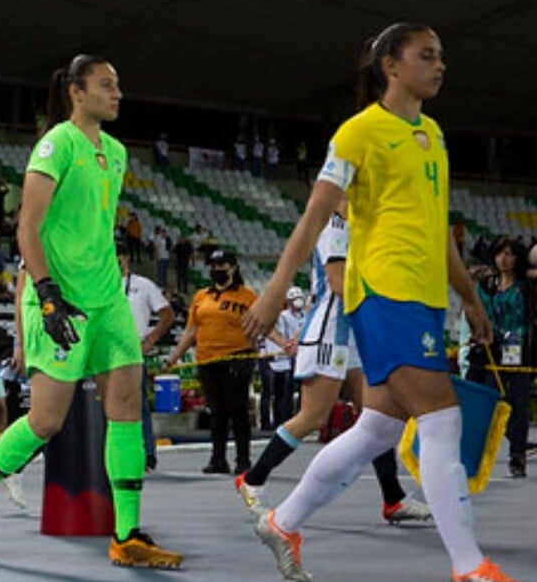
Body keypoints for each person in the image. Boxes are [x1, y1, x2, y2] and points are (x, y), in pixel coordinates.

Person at [242, 22, 537, 582]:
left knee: (377, 427)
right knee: (443, 418)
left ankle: (282, 521)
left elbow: (440, 232)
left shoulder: (433, 133)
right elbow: (315, 215)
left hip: (425, 300)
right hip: (383, 293)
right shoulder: (359, 133)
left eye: (441, 56)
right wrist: (276, 289)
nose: (440, 65)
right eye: (426, 56)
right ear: (390, 66)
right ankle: (468, 567)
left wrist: (471, 298)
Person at [0, 54, 182, 568]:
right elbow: (27, 228)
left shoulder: (118, 152)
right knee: (45, 421)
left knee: (124, 408)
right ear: (78, 91)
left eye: (119, 84)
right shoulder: (56, 144)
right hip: (61, 302)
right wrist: (48, 293)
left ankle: (127, 535)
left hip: (107, 303)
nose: (118, 93)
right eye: (107, 85)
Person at [236, 207, 431, 526]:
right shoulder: (334, 224)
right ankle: (252, 480)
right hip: (329, 332)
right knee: (313, 417)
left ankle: (393, 498)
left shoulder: (361, 223)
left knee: (376, 413)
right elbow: (338, 282)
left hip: (353, 332)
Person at [164, 249, 269, 474]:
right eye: (213, 265)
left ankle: (243, 459)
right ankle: (218, 459)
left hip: (237, 358)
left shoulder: (246, 296)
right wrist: (174, 357)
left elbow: (261, 324)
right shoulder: (202, 296)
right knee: (216, 411)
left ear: (232, 268)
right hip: (208, 359)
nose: (216, 269)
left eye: (221, 265)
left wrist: (281, 342)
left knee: (238, 410)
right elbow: (191, 330)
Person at [464, 237, 531, 478]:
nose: (504, 259)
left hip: (519, 350)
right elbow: (473, 309)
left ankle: (517, 455)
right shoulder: (486, 285)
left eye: (510, 254)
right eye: (500, 253)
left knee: (518, 403)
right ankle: (477, 452)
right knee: (489, 399)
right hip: (490, 350)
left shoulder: (526, 286)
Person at [118, 243, 174, 470]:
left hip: (133, 351)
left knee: (137, 405)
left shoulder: (143, 285)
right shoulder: (100, 283)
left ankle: (148, 454)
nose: (116, 260)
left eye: (119, 256)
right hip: (106, 352)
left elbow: (167, 314)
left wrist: (150, 340)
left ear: (127, 258)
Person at [256, 286, 305, 432]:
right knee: (268, 392)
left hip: (285, 358)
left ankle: (282, 420)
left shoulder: (292, 317)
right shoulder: (275, 317)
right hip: (268, 357)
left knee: (283, 393)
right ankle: (266, 423)